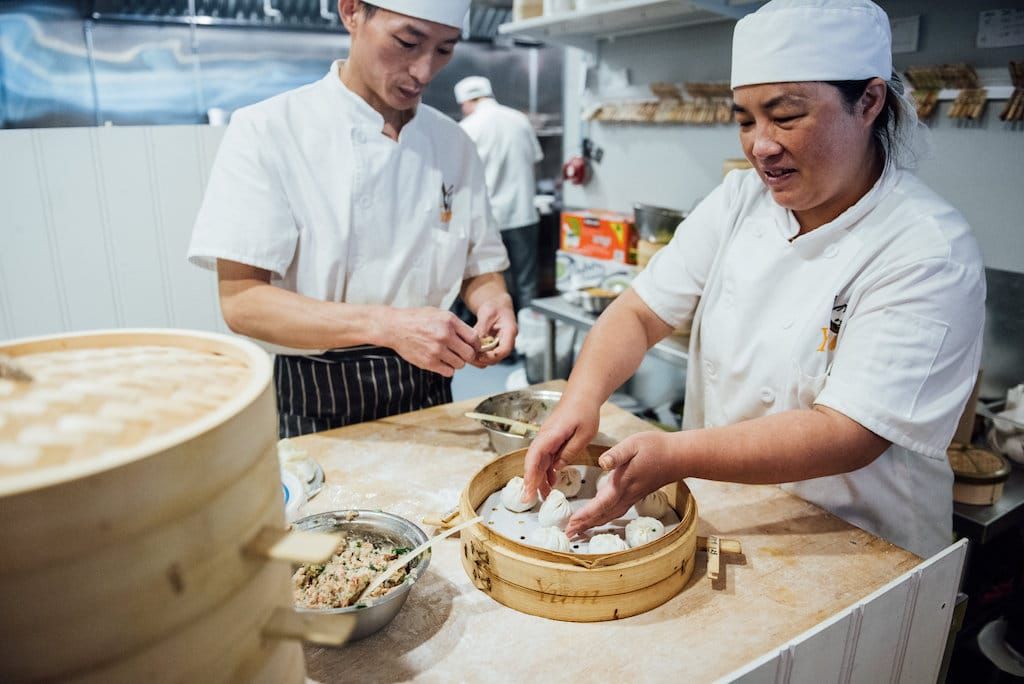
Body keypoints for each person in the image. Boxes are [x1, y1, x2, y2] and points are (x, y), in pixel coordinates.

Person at [522, 0, 986, 559]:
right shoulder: (739, 200)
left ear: (868, 101)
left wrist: (676, 454)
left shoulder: (926, 248)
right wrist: (580, 399)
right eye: (745, 120)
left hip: (861, 548)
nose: (760, 145)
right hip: (731, 514)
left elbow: (849, 433)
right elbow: (640, 313)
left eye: (785, 116)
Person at [187, 0, 517, 439]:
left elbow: (480, 266)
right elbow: (242, 302)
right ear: (351, 12)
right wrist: (388, 327)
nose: (424, 71)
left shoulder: (453, 143)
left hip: (430, 391)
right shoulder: (269, 130)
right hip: (315, 397)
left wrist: (496, 301)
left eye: (444, 49)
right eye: (408, 42)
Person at [454, 75, 544, 317]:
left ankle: (487, 337)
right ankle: (529, 337)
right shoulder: (519, 120)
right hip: (523, 215)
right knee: (526, 284)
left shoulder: (468, 127)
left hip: (488, 221)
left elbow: (458, 177)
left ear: (466, 102)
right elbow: (535, 161)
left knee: (485, 287)